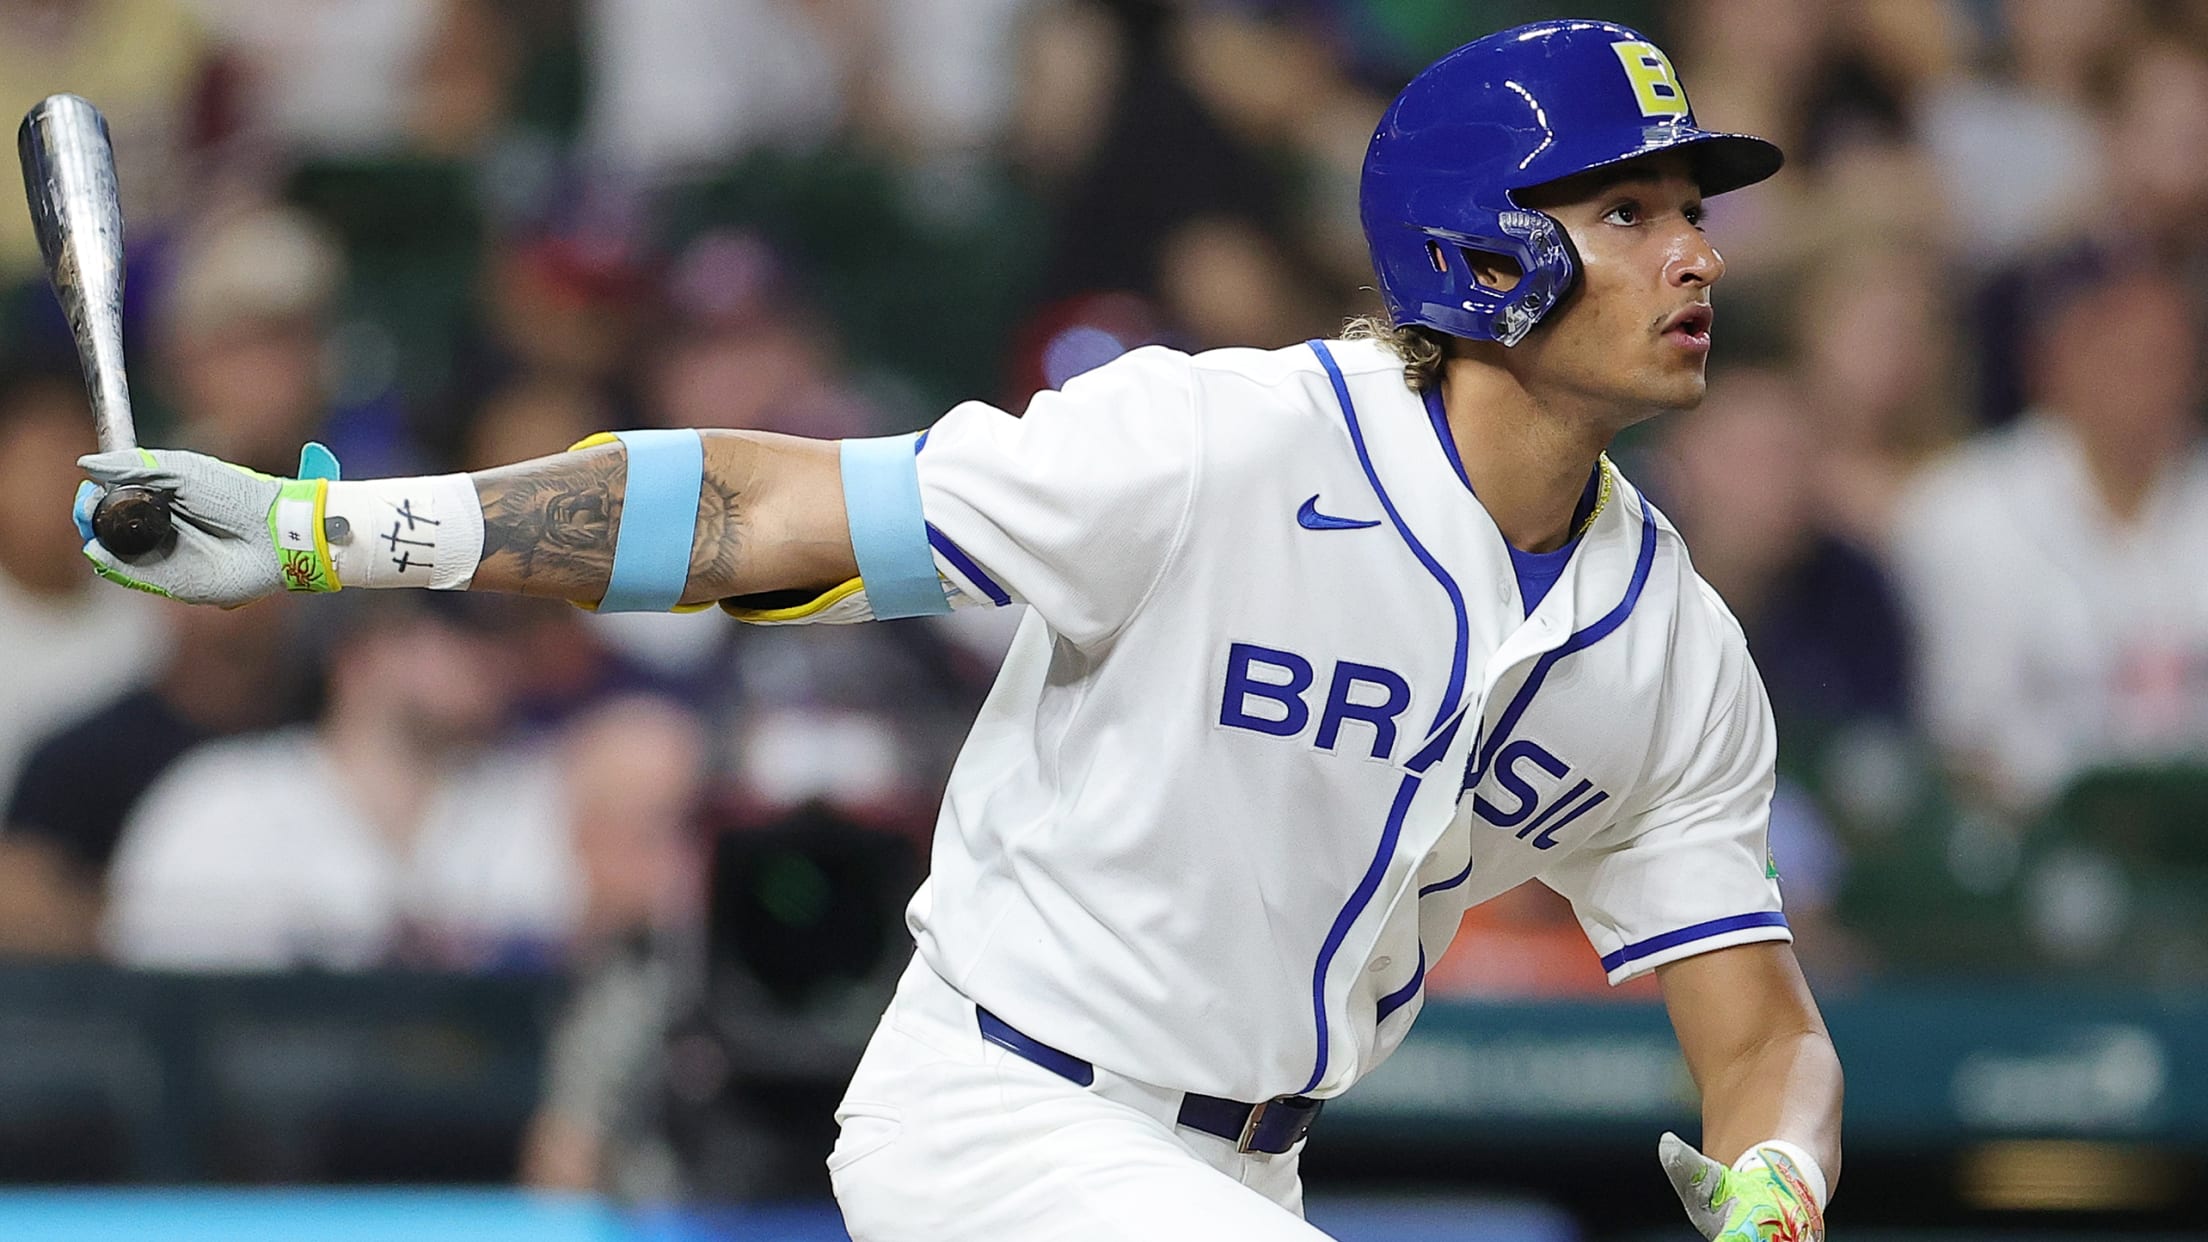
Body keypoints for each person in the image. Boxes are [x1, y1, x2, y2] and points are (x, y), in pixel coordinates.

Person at [70, 20, 1840, 1241]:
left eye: (1693, 211)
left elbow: (1761, 1040)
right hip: (1003, 1112)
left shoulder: (1669, 650)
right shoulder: (1220, 441)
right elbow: (764, 511)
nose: (1695, 255)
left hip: (1244, 1179)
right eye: (1629, 210)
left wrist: (1779, 1184)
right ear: (1480, 254)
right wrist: (326, 533)